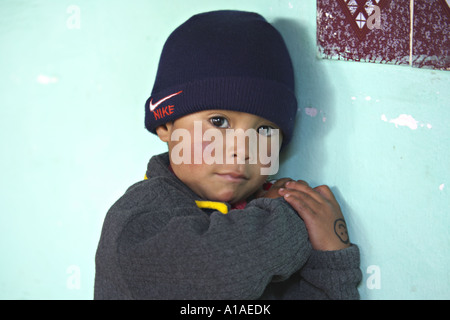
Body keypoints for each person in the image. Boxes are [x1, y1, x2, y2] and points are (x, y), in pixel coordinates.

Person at [94, 10, 361, 300]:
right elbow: (220, 269)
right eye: (219, 122)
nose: (242, 149)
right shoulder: (135, 221)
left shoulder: (254, 218)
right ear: (165, 125)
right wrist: (297, 216)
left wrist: (329, 262)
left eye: (264, 130)